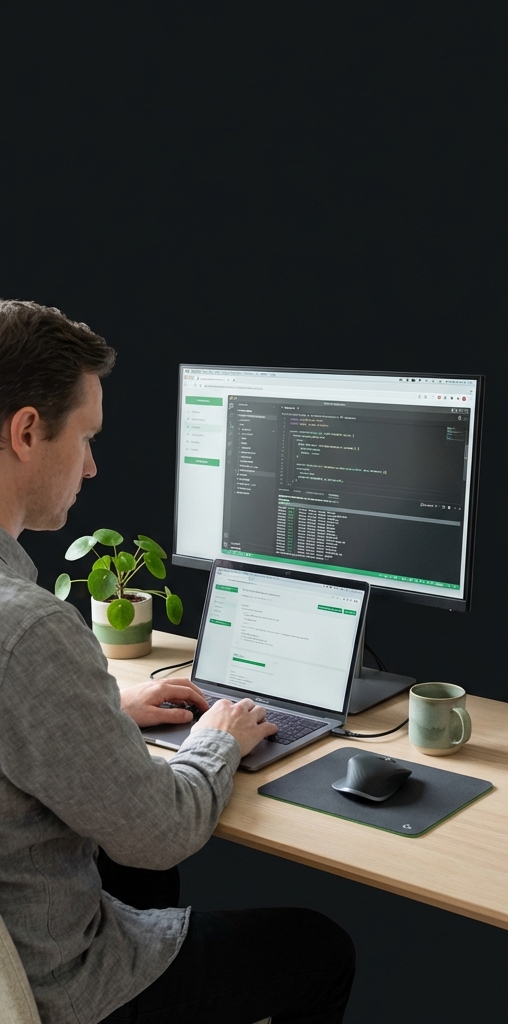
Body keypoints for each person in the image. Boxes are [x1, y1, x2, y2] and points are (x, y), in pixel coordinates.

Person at [0, 300, 355, 1024]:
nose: (93, 466)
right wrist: (217, 740)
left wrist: (99, 718)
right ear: (28, 431)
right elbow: (160, 835)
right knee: (318, 948)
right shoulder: (28, 631)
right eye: (87, 437)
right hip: (62, 983)